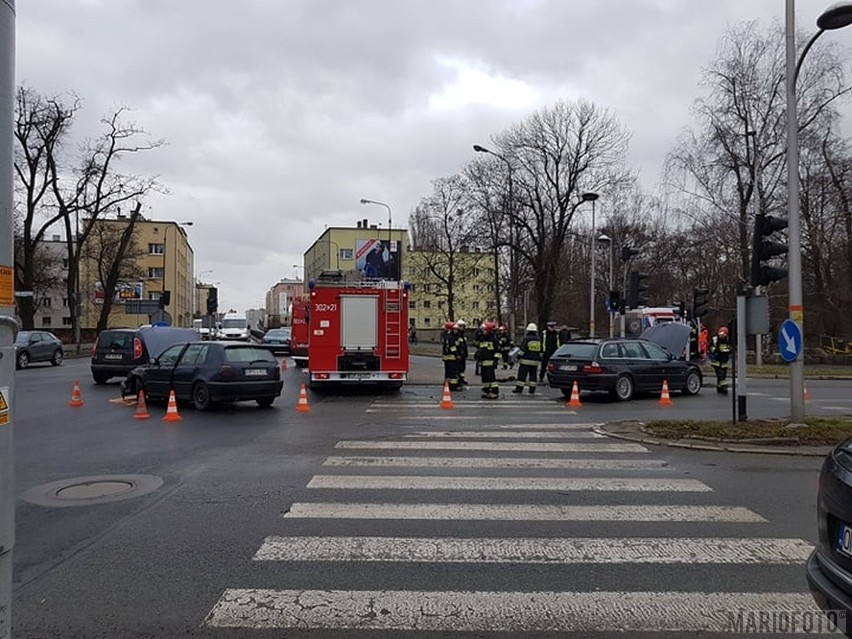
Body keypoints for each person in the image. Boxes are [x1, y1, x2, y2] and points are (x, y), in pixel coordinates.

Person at [513, 323, 542, 394]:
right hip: (535, 362)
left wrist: (518, 357)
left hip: (525, 361)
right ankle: (532, 389)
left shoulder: (526, 339)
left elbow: (522, 350)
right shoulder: (538, 339)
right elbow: (541, 351)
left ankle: (519, 389)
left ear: (528, 331)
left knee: (522, 376)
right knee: (533, 376)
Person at [476, 321, 501, 399]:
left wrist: (495, 360)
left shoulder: (494, 340)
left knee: (491, 378)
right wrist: (478, 355)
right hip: (483, 362)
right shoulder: (483, 339)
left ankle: (494, 392)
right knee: (485, 379)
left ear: (489, 330)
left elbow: (498, 352)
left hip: (490, 363)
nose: (483, 331)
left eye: (485, 330)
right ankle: (487, 392)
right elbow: (481, 349)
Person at [708, 325, 732, 394]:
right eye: (721, 334)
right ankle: (724, 387)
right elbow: (709, 347)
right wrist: (716, 350)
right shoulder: (715, 340)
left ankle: (719, 387)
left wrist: (729, 350)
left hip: (724, 362)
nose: (722, 336)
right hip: (716, 361)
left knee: (723, 375)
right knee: (721, 375)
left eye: (724, 334)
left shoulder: (727, 340)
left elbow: (730, 348)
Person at [441, 321, 461, 391]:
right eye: (455, 329)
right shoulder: (451, 337)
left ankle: (447, 383)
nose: (456, 331)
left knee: (448, 372)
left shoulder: (446, 336)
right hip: (452, 358)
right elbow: (452, 348)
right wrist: (457, 355)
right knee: (453, 373)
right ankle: (453, 386)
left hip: (447, 358)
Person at [454, 320, 468, 386]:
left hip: (463, 354)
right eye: (461, 326)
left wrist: (465, 353)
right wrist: (458, 354)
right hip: (458, 355)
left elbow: (464, 345)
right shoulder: (457, 335)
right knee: (458, 368)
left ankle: (462, 379)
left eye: (463, 326)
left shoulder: (463, 335)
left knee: (462, 368)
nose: (462, 327)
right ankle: (458, 380)